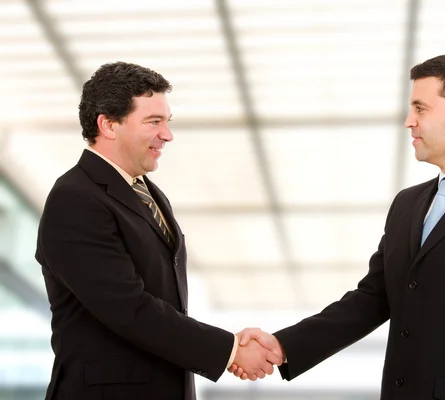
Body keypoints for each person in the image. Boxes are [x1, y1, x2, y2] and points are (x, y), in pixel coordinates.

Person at [230, 53, 445, 399]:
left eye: (421, 108)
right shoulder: (407, 205)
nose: (409, 121)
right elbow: (372, 299)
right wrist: (283, 345)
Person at [35, 62, 281, 400]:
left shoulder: (148, 193)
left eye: (167, 122)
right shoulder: (75, 198)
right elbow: (128, 307)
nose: (167, 134)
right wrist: (230, 350)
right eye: (154, 122)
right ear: (108, 124)